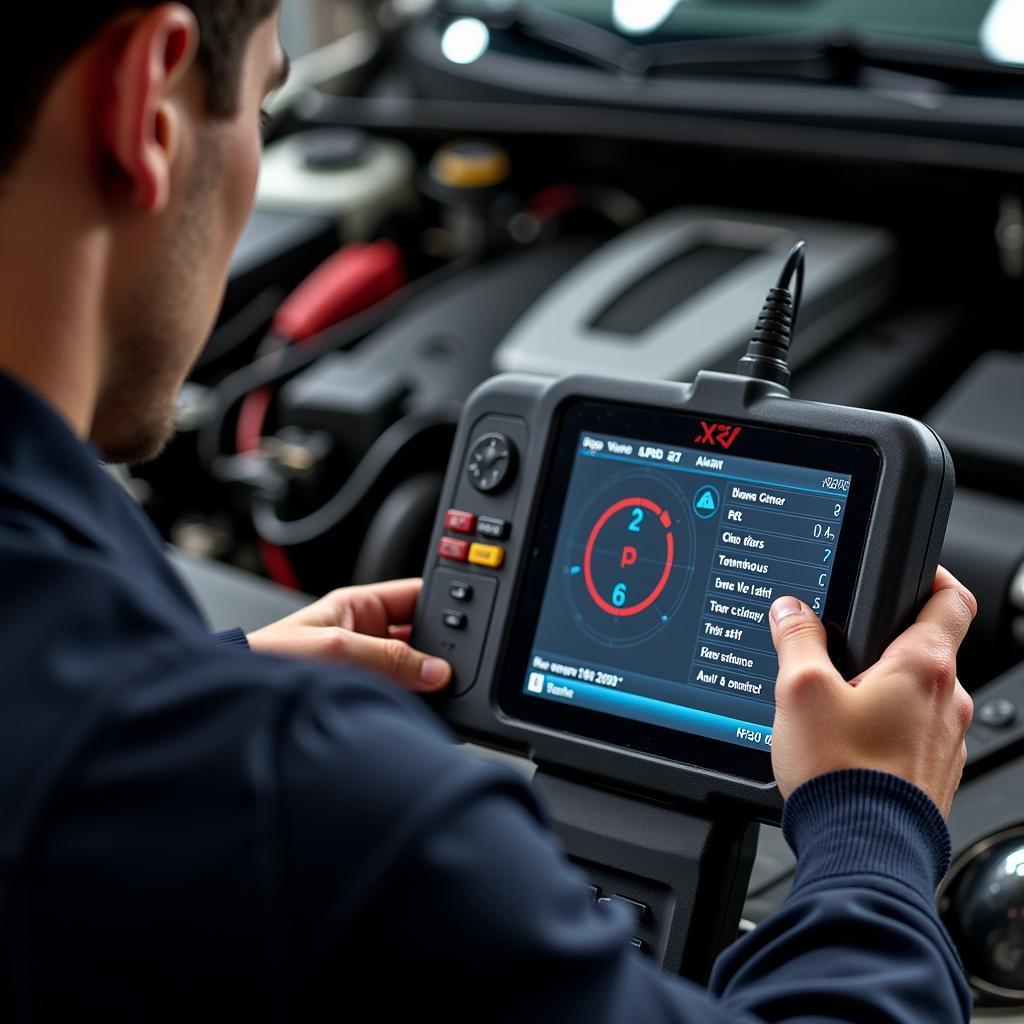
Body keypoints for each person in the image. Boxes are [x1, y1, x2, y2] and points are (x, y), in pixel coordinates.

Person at [0, 3, 976, 1021]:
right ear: (147, 101)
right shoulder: (314, 809)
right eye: (260, 97)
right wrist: (873, 821)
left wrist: (206, 684)